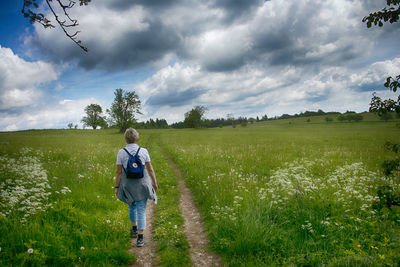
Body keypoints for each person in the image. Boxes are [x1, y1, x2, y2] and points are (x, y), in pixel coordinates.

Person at [115, 128, 158, 247]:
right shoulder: (143, 151)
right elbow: (150, 169)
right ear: (137, 138)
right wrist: (154, 183)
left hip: (128, 185)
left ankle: (134, 229)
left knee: (131, 206)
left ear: (125, 139)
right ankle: (140, 238)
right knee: (141, 209)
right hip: (142, 184)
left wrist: (117, 187)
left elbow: (119, 172)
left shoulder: (121, 152)